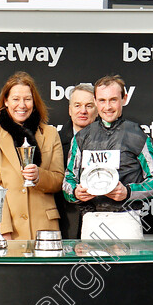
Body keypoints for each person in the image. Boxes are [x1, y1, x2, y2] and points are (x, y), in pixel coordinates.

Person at [63, 75, 153, 236]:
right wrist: (75, 192)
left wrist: (128, 192)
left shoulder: (137, 135)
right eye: (102, 100)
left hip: (127, 219)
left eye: (113, 100)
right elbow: (68, 180)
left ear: (124, 99)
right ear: (95, 101)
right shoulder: (82, 137)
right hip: (92, 220)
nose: (107, 106)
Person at [0, 71, 64, 240]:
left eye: (27, 99)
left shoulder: (50, 133)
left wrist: (40, 176)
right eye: (16, 99)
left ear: (34, 102)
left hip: (45, 230)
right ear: (6, 101)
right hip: (6, 231)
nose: (22, 105)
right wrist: (4, 230)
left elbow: (58, 180)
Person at [57, 83, 97, 239]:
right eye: (77, 105)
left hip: (100, 223)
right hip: (65, 223)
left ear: (97, 109)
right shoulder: (55, 142)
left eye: (89, 106)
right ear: (69, 110)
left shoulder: (112, 141)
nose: (83, 111)